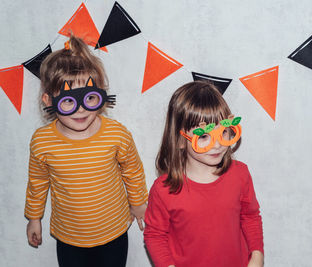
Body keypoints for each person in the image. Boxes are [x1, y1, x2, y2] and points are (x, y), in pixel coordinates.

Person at [24, 35, 148, 267]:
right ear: (49, 100)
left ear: (100, 95)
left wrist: (139, 202)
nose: (80, 109)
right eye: (69, 101)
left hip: (114, 231)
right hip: (69, 236)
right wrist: (34, 218)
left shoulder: (116, 133)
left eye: (90, 98)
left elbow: (132, 169)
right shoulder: (42, 141)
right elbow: (37, 182)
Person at [143, 81, 264, 267]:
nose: (217, 145)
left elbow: (250, 216)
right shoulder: (164, 189)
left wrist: (256, 256)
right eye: (204, 136)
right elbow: (155, 235)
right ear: (180, 140)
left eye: (223, 132)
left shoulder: (240, 174)